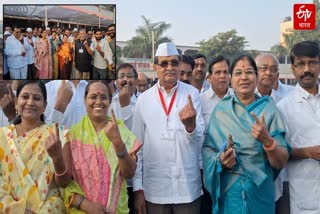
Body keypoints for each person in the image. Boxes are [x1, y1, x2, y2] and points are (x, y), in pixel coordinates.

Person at [202, 54, 290, 214]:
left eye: (249, 72)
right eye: (238, 73)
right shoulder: (221, 111)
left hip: (260, 193)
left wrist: (268, 142)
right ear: (230, 79)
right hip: (229, 195)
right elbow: (208, 151)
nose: (244, 77)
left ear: (256, 77)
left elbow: (281, 161)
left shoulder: (270, 110)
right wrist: (220, 160)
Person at [133, 42, 204, 214]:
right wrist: (138, 189)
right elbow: (136, 148)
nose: (169, 67)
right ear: (155, 67)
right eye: (164, 64)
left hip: (186, 188)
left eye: (174, 62)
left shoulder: (191, 94)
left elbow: (200, 139)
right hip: (155, 189)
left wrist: (190, 126)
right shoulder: (144, 99)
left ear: (180, 66)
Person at [59, 80, 142, 213]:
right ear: (84, 99)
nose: (98, 101)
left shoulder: (120, 129)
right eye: (93, 97)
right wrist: (85, 205)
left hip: (116, 209)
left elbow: (130, 173)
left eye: (103, 97)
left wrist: (117, 142)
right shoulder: (72, 135)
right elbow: (65, 181)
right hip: (83, 209)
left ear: (110, 101)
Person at [0, 80, 70, 213]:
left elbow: (65, 182)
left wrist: (57, 159)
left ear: (45, 106)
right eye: (25, 97)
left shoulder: (59, 133)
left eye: (36, 98)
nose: (30, 102)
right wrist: (19, 210)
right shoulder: (2, 136)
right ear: (16, 102)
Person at [277, 41, 320, 214]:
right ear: (293, 69)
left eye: (312, 63)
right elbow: (279, 151)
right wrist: (307, 152)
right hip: (305, 195)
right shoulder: (283, 107)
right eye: (301, 64)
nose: (307, 69)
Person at [201, 55, 233, 129]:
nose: (222, 76)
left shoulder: (237, 97)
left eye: (225, 72)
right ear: (210, 77)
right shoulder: (201, 100)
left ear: (229, 76)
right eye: (218, 72)